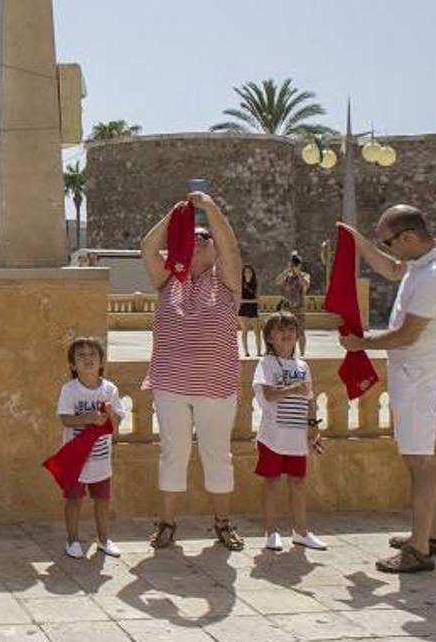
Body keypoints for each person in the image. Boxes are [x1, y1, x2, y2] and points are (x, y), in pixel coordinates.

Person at [340, 206, 436, 574]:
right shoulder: (433, 254)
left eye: (389, 242)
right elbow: (394, 270)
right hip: (414, 370)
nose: (389, 250)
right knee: (420, 455)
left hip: (417, 373)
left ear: (409, 237)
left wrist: (361, 344)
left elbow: (409, 334)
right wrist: (359, 243)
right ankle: (433, 535)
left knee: (419, 462)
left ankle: (420, 549)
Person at [140, 192, 245, 551]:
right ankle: (167, 524)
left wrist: (211, 209)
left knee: (217, 455)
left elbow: (231, 248)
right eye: (194, 236)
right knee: (173, 454)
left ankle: (223, 523)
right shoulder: (170, 278)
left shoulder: (227, 282)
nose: (200, 240)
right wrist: (175, 217)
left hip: (216, 386)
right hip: (170, 384)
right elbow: (147, 248)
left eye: (206, 238)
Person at [253, 312, 327, 552]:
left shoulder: (302, 366)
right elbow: (268, 394)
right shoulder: (265, 364)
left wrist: (313, 429)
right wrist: (294, 388)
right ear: (270, 337)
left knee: (298, 483)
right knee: (271, 482)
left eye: (291, 330)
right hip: (272, 437)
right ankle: (271, 532)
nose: (286, 335)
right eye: (280, 331)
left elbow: (310, 399)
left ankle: (301, 531)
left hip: (296, 437)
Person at [56, 337, 125, 559]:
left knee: (103, 501)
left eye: (92, 354)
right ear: (73, 365)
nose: (88, 359)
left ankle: (104, 540)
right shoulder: (70, 390)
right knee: (74, 500)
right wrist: (89, 418)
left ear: (101, 362)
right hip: (76, 459)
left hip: (101, 460)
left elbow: (116, 424)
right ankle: (72, 541)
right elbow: (65, 419)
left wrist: (110, 414)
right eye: (81, 355)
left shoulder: (110, 389)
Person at [275, 253, 311, 354]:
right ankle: (289, 352)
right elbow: (277, 281)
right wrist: (287, 270)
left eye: (296, 264)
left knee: (300, 332)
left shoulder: (305, 275)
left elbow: (305, 285)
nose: (294, 266)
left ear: (300, 265)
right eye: (293, 264)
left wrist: (298, 272)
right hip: (287, 308)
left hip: (299, 308)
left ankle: (302, 353)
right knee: (287, 332)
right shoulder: (287, 276)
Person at [239, 264, 262, 356]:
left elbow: (258, 298)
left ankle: (259, 352)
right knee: (245, 330)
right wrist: (251, 300)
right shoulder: (240, 283)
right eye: (246, 271)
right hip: (243, 310)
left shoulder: (255, 283)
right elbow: (239, 299)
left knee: (257, 331)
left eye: (250, 271)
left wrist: (248, 301)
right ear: (243, 273)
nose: (248, 273)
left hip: (253, 309)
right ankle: (246, 352)